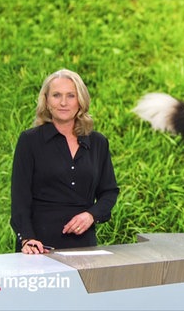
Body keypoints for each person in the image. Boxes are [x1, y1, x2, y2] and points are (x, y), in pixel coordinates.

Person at [10, 69, 119, 254]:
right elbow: (20, 197)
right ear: (46, 100)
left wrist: (91, 216)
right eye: (56, 95)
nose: (63, 102)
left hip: (84, 246)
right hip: (38, 246)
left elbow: (109, 192)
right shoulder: (30, 141)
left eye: (71, 96)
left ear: (80, 101)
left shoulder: (98, 142)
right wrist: (27, 238)